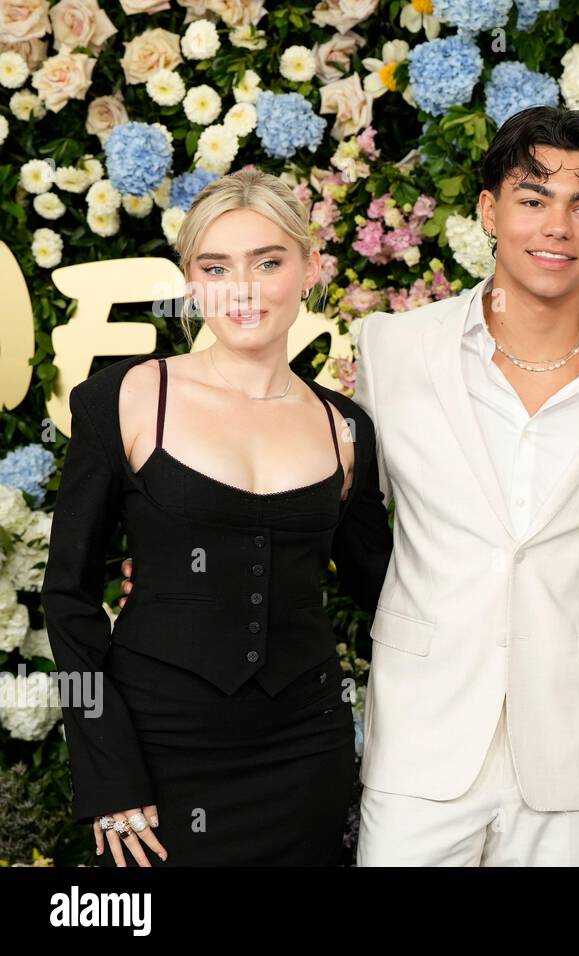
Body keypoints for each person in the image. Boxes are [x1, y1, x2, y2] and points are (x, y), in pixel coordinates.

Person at [351, 106, 579, 866]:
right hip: (421, 737)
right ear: (488, 210)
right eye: (533, 198)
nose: (557, 226)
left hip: (570, 746)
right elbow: (343, 517)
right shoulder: (395, 349)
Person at [40, 168, 393, 866]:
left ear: (308, 267)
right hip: (159, 750)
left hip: (304, 749)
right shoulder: (126, 399)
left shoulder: (346, 426)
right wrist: (110, 774)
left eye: (268, 262)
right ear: (191, 280)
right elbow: (68, 597)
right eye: (216, 266)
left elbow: (386, 591)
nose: (242, 288)